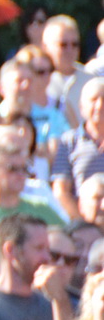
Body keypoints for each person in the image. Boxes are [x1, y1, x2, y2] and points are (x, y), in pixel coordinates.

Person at [54, 78, 104, 223]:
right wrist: (82, 224)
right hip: (83, 223)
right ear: (81, 108)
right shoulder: (69, 141)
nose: (100, 105)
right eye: (94, 99)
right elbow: (61, 190)